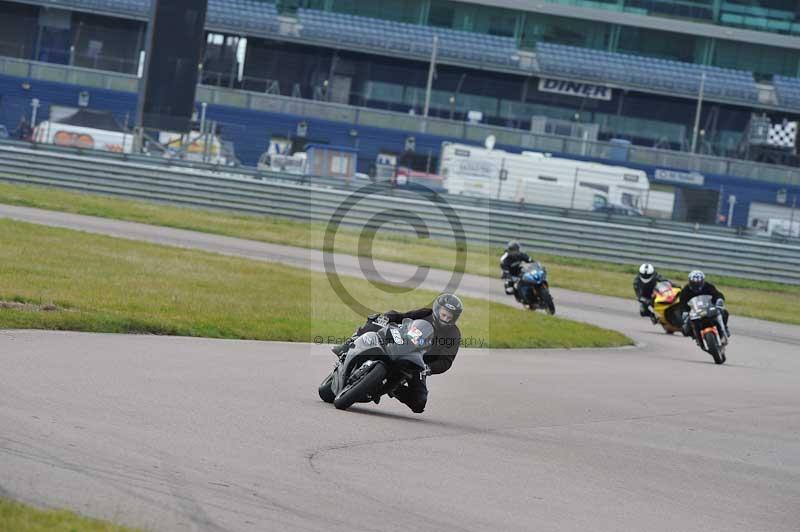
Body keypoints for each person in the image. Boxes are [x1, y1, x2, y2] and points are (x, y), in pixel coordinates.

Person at [331, 293, 463, 413]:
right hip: (401, 342)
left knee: (419, 403)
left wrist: (428, 368)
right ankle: (347, 345)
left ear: (454, 318)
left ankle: (394, 389)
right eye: (443, 314)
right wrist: (386, 317)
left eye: (448, 317)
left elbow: (446, 361)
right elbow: (402, 316)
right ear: (437, 310)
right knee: (377, 321)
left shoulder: (454, 334)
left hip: (417, 364)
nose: (445, 318)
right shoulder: (425, 314)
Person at [678, 270, 730, 338]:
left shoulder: (708, 286)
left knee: (724, 312)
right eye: (694, 283)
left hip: (709, 308)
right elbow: (682, 302)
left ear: (702, 281)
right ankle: (696, 335)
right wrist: (684, 311)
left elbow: (717, 294)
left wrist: (719, 300)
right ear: (690, 282)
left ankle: (724, 328)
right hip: (694, 312)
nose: (696, 285)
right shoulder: (686, 290)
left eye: (698, 283)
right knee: (685, 330)